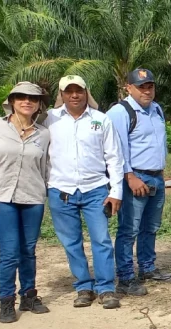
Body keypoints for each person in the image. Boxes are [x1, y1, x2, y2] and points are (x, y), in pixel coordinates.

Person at [0, 82, 51, 323]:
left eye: (32, 98)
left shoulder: (43, 133)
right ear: (12, 101)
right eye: (21, 97)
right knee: (9, 252)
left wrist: (47, 192)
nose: (27, 101)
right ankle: (6, 300)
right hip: (1, 199)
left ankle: (29, 295)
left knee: (28, 250)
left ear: (39, 104)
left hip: (32, 197)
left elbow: (45, 166)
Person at [45, 75, 125, 309]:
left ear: (85, 91)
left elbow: (114, 157)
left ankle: (106, 288)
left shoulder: (101, 120)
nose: (74, 95)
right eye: (68, 91)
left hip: (95, 189)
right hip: (62, 191)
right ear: (61, 95)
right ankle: (83, 287)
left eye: (78, 90)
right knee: (71, 242)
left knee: (101, 240)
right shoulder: (49, 119)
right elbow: (22, 121)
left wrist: (116, 191)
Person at [107, 68, 171, 297]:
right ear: (129, 88)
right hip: (135, 177)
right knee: (129, 229)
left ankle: (147, 267)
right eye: (141, 87)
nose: (147, 91)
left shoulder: (156, 109)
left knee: (151, 227)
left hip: (155, 176)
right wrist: (130, 177)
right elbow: (117, 149)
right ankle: (125, 277)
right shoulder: (120, 112)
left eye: (150, 86)